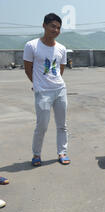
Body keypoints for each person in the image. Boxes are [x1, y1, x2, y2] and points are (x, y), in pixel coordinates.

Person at [23, 13, 70, 166]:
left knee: (62, 124)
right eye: (52, 26)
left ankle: (62, 152)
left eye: (58, 28)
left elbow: (60, 69)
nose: (55, 30)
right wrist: (37, 83)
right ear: (44, 26)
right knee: (42, 125)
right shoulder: (32, 45)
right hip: (42, 92)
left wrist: (54, 82)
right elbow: (27, 68)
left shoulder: (62, 48)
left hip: (60, 90)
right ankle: (36, 154)